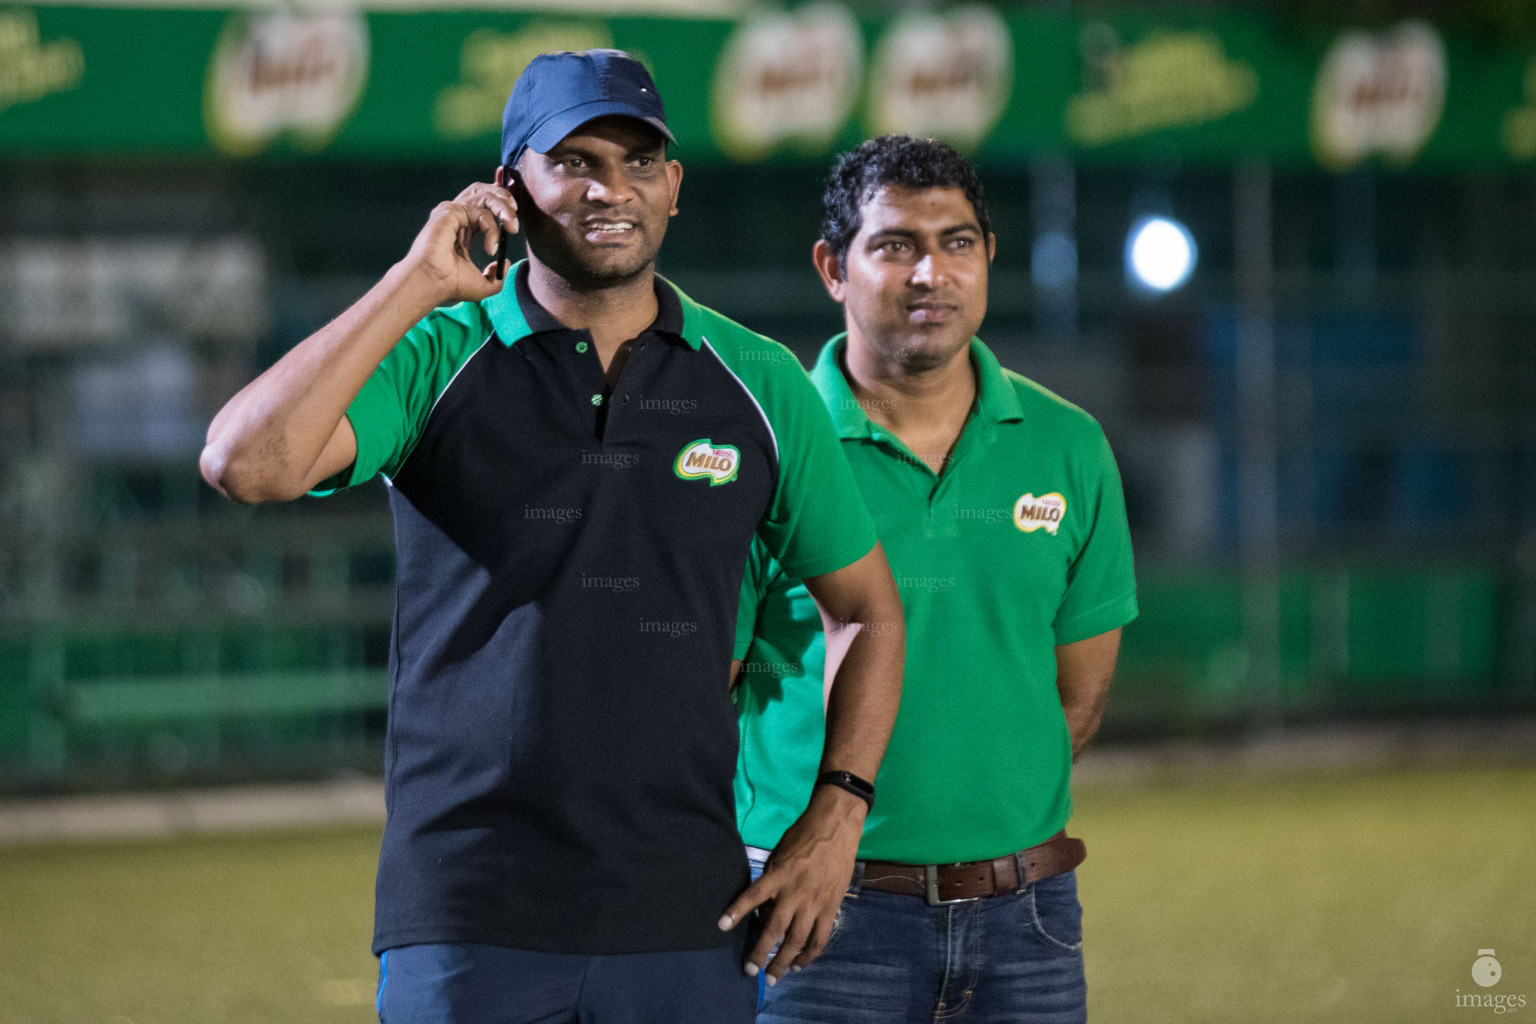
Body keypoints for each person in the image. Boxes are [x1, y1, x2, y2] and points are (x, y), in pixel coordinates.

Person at [200, 50, 905, 1024]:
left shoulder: (757, 380)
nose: (611, 188)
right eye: (573, 161)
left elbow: (866, 610)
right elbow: (246, 462)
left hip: (687, 913)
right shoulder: (439, 355)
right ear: (507, 191)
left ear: (674, 187)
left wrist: (837, 811)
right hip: (467, 911)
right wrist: (416, 279)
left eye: (639, 161)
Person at [732, 135, 1138, 1023]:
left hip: (1027, 917)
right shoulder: (768, 446)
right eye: (895, 246)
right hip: (815, 917)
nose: (931, 274)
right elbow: (705, 690)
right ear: (832, 268)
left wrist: (977, 830)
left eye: (958, 243)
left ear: (989, 258)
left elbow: (1077, 698)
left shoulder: (1068, 447)